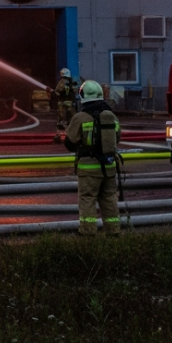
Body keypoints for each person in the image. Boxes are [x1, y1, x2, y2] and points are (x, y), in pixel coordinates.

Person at [64, 80, 122, 236]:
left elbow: (69, 143)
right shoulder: (111, 116)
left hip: (88, 168)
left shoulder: (80, 117)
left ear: (83, 96)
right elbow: (117, 138)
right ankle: (114, 232)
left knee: (88, 199)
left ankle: (87, 233)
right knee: (109, 199)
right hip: (109, 167)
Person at [53, 68, 78, 142]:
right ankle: (73, 136)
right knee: (72, 119)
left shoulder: (62, 82)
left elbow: (57, 92)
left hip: (62, 104)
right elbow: (75, 92)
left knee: (61, 120)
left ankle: (58, 136)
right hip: (71, 104)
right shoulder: (73, 82)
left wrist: (52, 92)